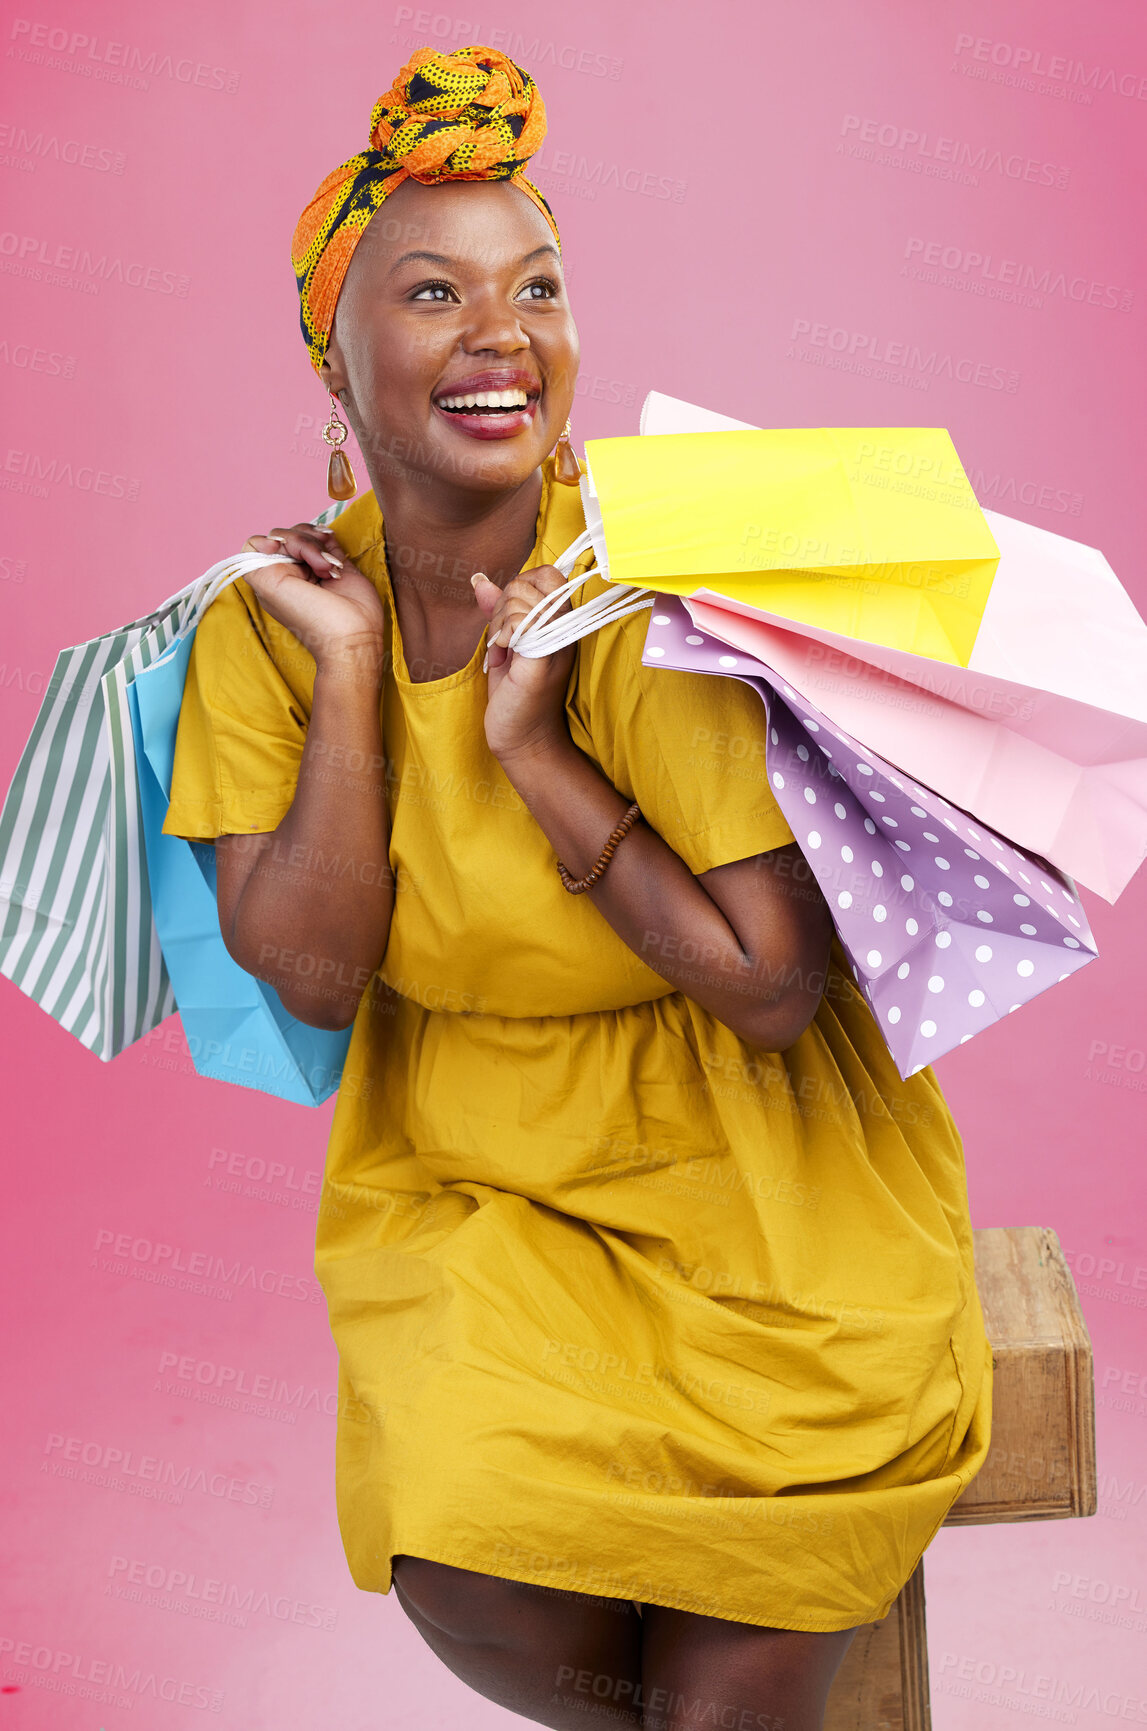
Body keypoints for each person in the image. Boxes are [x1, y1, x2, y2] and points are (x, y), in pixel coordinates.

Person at [162, 44, 992, 1731]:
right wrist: (348, 684)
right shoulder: (264, 628)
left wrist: (540, 755)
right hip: (469, 1193)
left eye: (537, 288)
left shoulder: (651, 586)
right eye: (434, 293)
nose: (503, 334)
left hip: (766, 1190)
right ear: (336, 358)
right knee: (465, 1556)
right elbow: (315, 978)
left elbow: (773, 985)